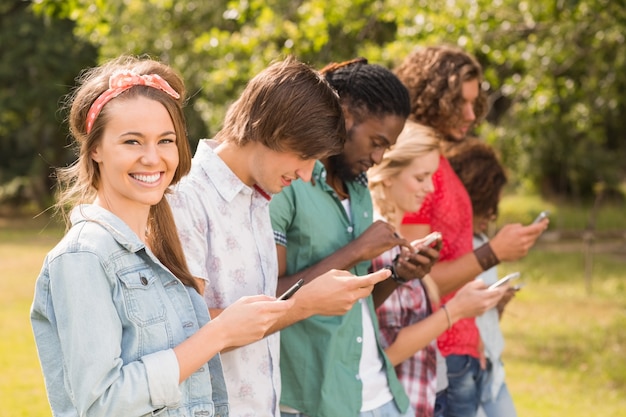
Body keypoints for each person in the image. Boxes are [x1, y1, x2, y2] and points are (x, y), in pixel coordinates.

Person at [30, 56, 292, 417]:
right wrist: (218, 334)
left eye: (165, 140)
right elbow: (101, 404)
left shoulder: (161, 249)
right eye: (132, 142)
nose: (152, 158)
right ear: (95, 149)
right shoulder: (83, 257)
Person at [168, 56, 392, 417]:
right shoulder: (185, 202)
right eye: (304, 157)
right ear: (270, 128)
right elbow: (185, 330)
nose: (306, 175)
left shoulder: (259, 199)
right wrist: (303, 304)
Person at [270, 58, 440, 417]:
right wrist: (358, 250)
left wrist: (397, 275)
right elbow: (271, 297)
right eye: (376, 142)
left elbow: (352, 302)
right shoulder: (287, 185)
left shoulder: (358, 188)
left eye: (386, 148)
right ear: (345, 115)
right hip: (317, 402)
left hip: (382, 393)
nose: (378, 158)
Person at [395, 45, 548, 416]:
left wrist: (475, 334)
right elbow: (414, 282)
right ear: (431, 99)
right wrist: (493, 252)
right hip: (440, 354)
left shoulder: (438, 160)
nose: (470, 115)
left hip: (461, 351)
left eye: (474, 104)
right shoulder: (413, 169)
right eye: (459, 104)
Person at [369, 121, 506, 417]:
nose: (430, 189)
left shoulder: (398, 239)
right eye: (420, 178)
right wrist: (455, 310)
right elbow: (386, 352)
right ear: (388, 174)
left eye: (431, 177)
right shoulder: (378, 242)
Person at [446, 139, 518, 417]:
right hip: (465, 363)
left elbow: (488, 319)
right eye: (488, 204)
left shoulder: (483, 241)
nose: (492, 214)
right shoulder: (452, 249)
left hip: (492, 364)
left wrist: (499, 302)